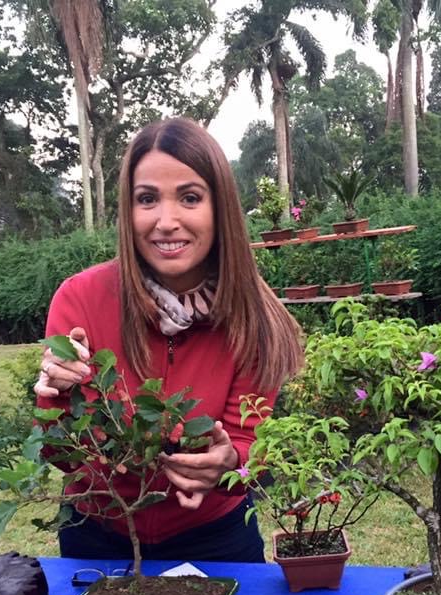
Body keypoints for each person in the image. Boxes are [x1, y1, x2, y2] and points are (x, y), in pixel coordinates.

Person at [34, 117, 303, 564]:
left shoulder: (254, 314)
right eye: (147, 199)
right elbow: (63, 456)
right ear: (128, 209)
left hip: (216, 535)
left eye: (190, 198)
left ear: (221, 208)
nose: (166, 221)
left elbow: (246, 436)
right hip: (97, 533)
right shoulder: (79, 299)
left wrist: (228, 460)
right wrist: (57, 395)